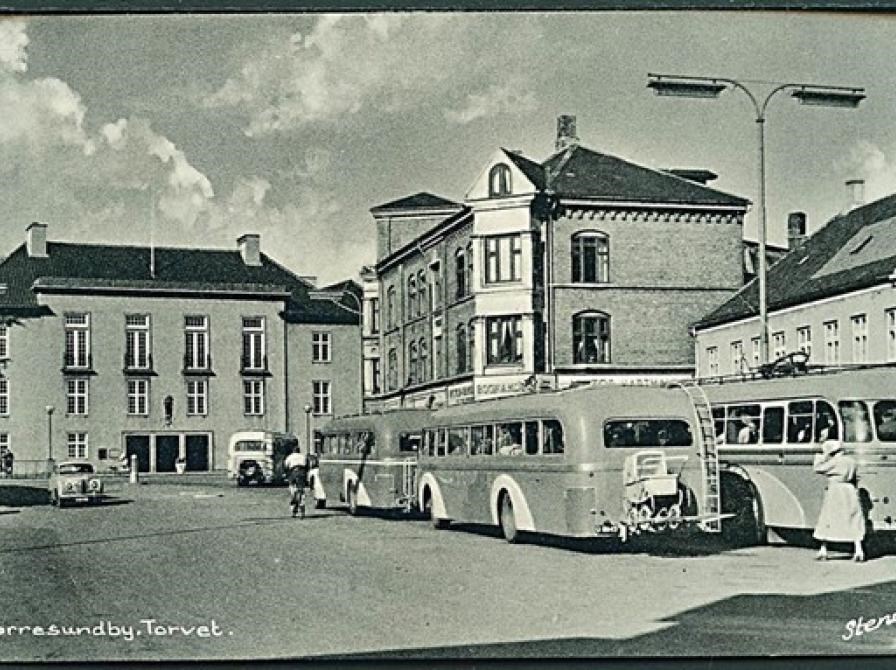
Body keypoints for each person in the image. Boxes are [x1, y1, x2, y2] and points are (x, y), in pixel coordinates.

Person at [813, 438, 865, 562]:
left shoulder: (834, 462)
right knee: (853, 519)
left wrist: (822, 456)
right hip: (850, 490)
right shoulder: (851, 461)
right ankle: (858, 550)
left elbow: (817, 468)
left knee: (828, 518)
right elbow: (857, 477)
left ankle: (823, 549)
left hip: (835, 491)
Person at [283, 444, 309, 518]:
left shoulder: (290, 457)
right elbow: (307, 466)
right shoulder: (303, 456)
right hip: (302, 474)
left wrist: (286, 474)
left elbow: (286, 466)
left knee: (293, 491)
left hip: (293, 473)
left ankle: (293, 509)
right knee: (301, 491)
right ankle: (302, 510)